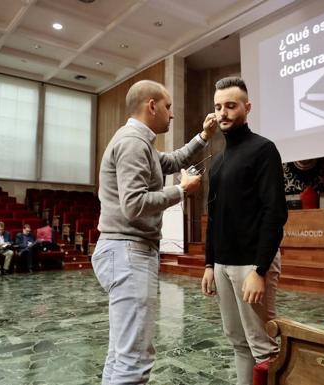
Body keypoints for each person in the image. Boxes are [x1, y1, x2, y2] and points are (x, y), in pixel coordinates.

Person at [92, 79, 217, 384]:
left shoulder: (139, 142)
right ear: (152, 106)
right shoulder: (133, 143)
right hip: (128, 252)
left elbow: (172, 161)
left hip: (125, 251)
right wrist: (181, 191)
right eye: (168, 106)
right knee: (134, 359)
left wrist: (203, 137)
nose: (171, 114)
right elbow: (133, 204)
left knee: (121, 354)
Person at [201, 76, 288, 385]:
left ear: (247, 108)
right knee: (238, 343)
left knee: (263, 347)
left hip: (252, 264)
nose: (223, 113)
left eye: (230, 106)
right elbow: (214, 216)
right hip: (223, 265)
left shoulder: (264, 150)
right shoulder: (219, 161)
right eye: (218, 107)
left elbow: (275, 213)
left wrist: (260, 269)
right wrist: (210, 264)